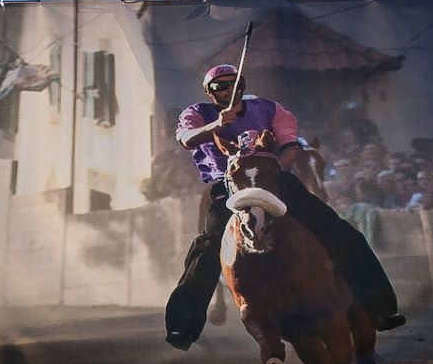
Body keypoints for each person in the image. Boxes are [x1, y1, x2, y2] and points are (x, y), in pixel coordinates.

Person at [164, 63, 403, 349]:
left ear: (243, 86)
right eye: (221, 86)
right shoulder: (196, 114)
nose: (229, 90)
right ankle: (183, 326)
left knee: (340, 232)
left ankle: (379, 308)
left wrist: (274, 167)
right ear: (209, 92)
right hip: (229, 184)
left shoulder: (270, 108)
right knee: (207, 246)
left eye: (235, 84)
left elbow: (290, 146)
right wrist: (217, 124)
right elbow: (187, 139)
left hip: (274, 179)